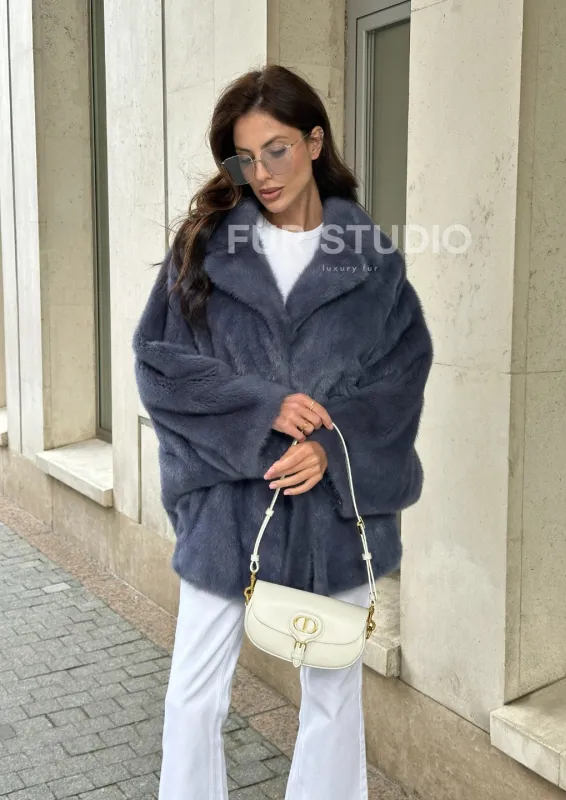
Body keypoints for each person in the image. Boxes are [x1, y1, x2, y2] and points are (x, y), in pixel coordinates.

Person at [132, 64, 433, 800]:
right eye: (245, 157)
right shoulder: (205, 248)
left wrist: (331, 447)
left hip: (334, 514)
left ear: (314, 142)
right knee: (194, 698)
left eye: (277, 150)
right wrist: (259, 405)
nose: (262, 173)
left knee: (332, 703)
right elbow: (159, 364)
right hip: (229, 510)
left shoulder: (371, 260)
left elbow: (401, 375)